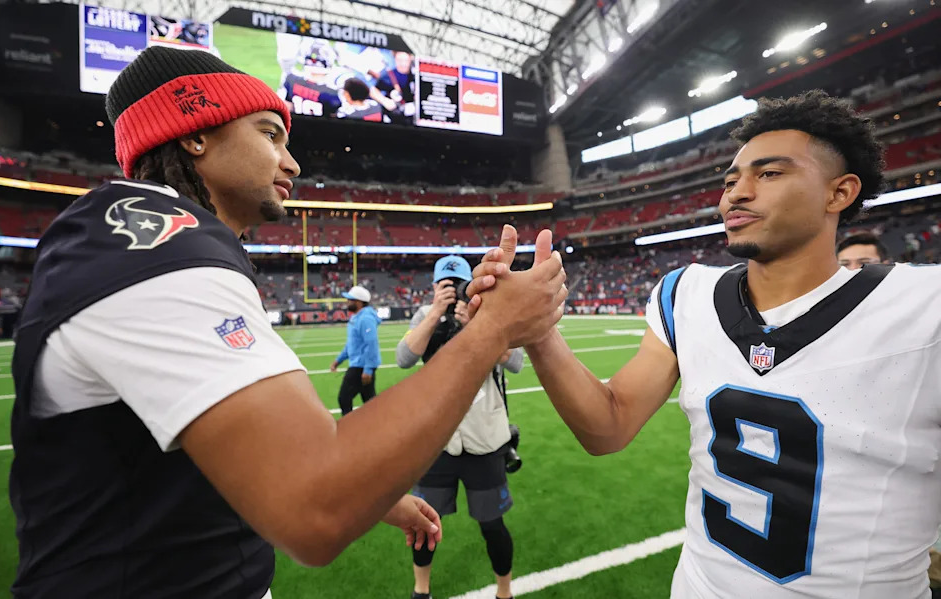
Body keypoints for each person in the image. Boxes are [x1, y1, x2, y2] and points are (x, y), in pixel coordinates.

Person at [8, 46, 568, 598]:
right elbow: (315, 508)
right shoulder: (159, 249)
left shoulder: (146, 240)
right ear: (196, 133)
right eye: (269, 134)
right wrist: (493, 330)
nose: (292, 162)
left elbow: (218, 445)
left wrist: (377, 492)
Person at [468, 90, 941, 598]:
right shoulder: (686, 295)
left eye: (769, 173)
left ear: (839, 192)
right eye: (731, 179)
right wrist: (539, 331)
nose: (736, 193)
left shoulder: (923, 307)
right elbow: (607, 426)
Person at [396, 256, 524, 599]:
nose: (453, 291)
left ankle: (504, 592)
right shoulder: (425, 314)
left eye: (459, 285)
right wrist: (436, 312)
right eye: (446, 285)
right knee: (424, 523)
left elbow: (516, 363)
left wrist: (476, 326)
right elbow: (403, 358)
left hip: (484, 439)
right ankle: (421, 591)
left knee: (492, 524)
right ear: (435, 286)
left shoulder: (489, 314)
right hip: (438, 441)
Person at [330, 285, 382, 415]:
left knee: (344, 398)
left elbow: (371, 344)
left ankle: (349, 428)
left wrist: (368, 369)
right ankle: (378, 425)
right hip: (360, 364)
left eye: (350, 299)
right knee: (369, 400)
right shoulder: (357, 317)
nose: (347, 302)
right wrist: (339, 360)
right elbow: (352, 344)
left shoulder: (365, 319)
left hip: (361, 365)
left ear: (359, 302)